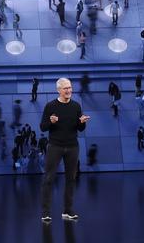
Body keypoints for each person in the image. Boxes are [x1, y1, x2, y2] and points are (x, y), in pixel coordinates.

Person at [40, 78, 89, 222]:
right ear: (58, 90)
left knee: (71, 179)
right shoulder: (51, 106)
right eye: (65, 88)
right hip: (55, 146)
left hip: (73, 146)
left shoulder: (76, 106)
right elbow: (43, 127)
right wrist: (51, 121)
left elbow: (80, 129)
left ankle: (68, 210)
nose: (68, 90)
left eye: (70, 87)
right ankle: (46, 212)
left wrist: (82, 123)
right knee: (49, 178)